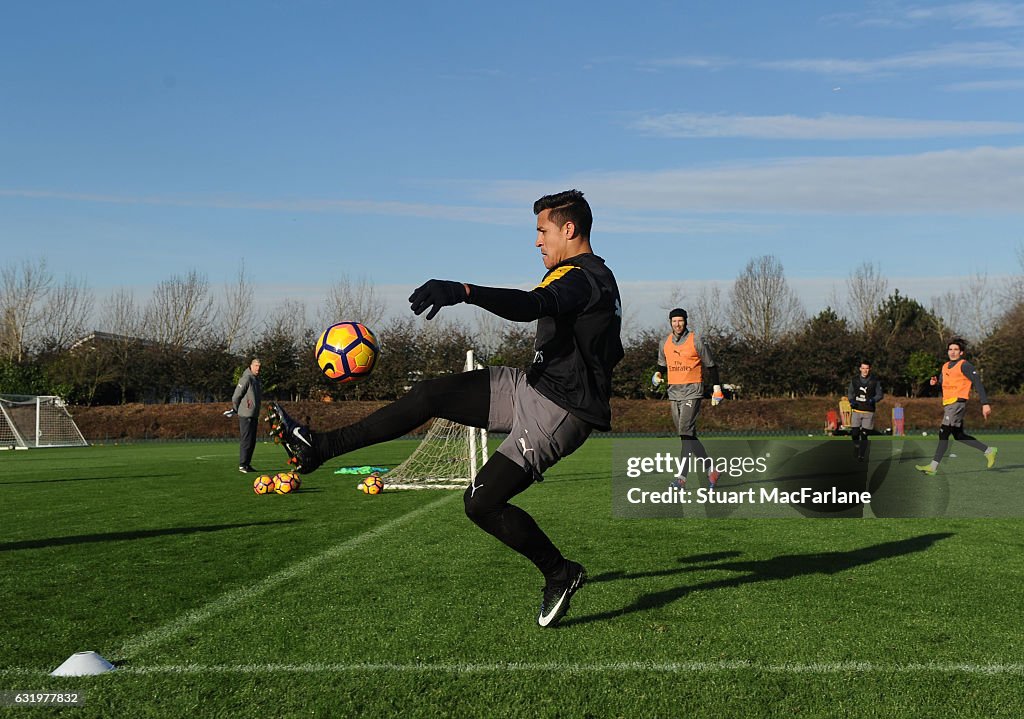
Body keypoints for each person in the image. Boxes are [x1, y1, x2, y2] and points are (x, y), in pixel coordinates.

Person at [267, 190, 623, 628]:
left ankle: (559, 572)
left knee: (481, 503)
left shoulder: (582, 277)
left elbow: (533, 305)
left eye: (542, 231)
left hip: (558, 412)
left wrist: (464, 291)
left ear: (569, 230)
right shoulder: (586, 277)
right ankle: (319, 447)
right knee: (430, 395)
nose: (537, 242)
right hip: (530, 386)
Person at [651, 308, 723, 490]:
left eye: (680, 321)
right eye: (674, 321)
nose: (677, 324)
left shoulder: (695, 340)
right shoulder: (664, 343)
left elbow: (711, 365)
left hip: (692, 391)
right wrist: (657, 375)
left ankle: (681, 479)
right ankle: (711, 470)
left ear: (685, 322)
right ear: (670, 322)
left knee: (685, 431)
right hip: (673, 393)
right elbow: (661, 365)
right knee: (687, 436)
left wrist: (717, 389)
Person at [915, 339, 997, 476]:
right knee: (959, 435)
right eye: (950, 349)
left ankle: (933, 467)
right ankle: (989, 451)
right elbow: (943, 384)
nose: (952, 352)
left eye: (955, 350)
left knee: (943, 433)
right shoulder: (945, 366)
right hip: (948, 404)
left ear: (961, 352)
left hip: (957, 403)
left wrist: (985, 403)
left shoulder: (965, 365)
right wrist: (934, 384)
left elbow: (977, 382)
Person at [229, 358, 262, 473]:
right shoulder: (246, 378)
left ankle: (247, 464)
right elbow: (236, 396)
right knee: (246, 440)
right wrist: (236, 409)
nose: (258, 368)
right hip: (245, 415)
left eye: (259, 366)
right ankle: (242, 465)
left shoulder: (257, 380)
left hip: (254, 415)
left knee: (252, 441)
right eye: (256, 366)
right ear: (251, 366)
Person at [847, 360, 883, 461]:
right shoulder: (854, 380)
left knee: (864, 434)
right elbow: (850, 392)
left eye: (867, 368)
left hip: (868, 411)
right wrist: (851, 401)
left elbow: (880, 395)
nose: (865, 370)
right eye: (863, 368)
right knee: (854, 433)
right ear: (860, 369)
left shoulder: (875, 381)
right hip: (857, 410)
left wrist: (873, 400)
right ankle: (857, 446)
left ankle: (861, 455)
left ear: (869, 369)